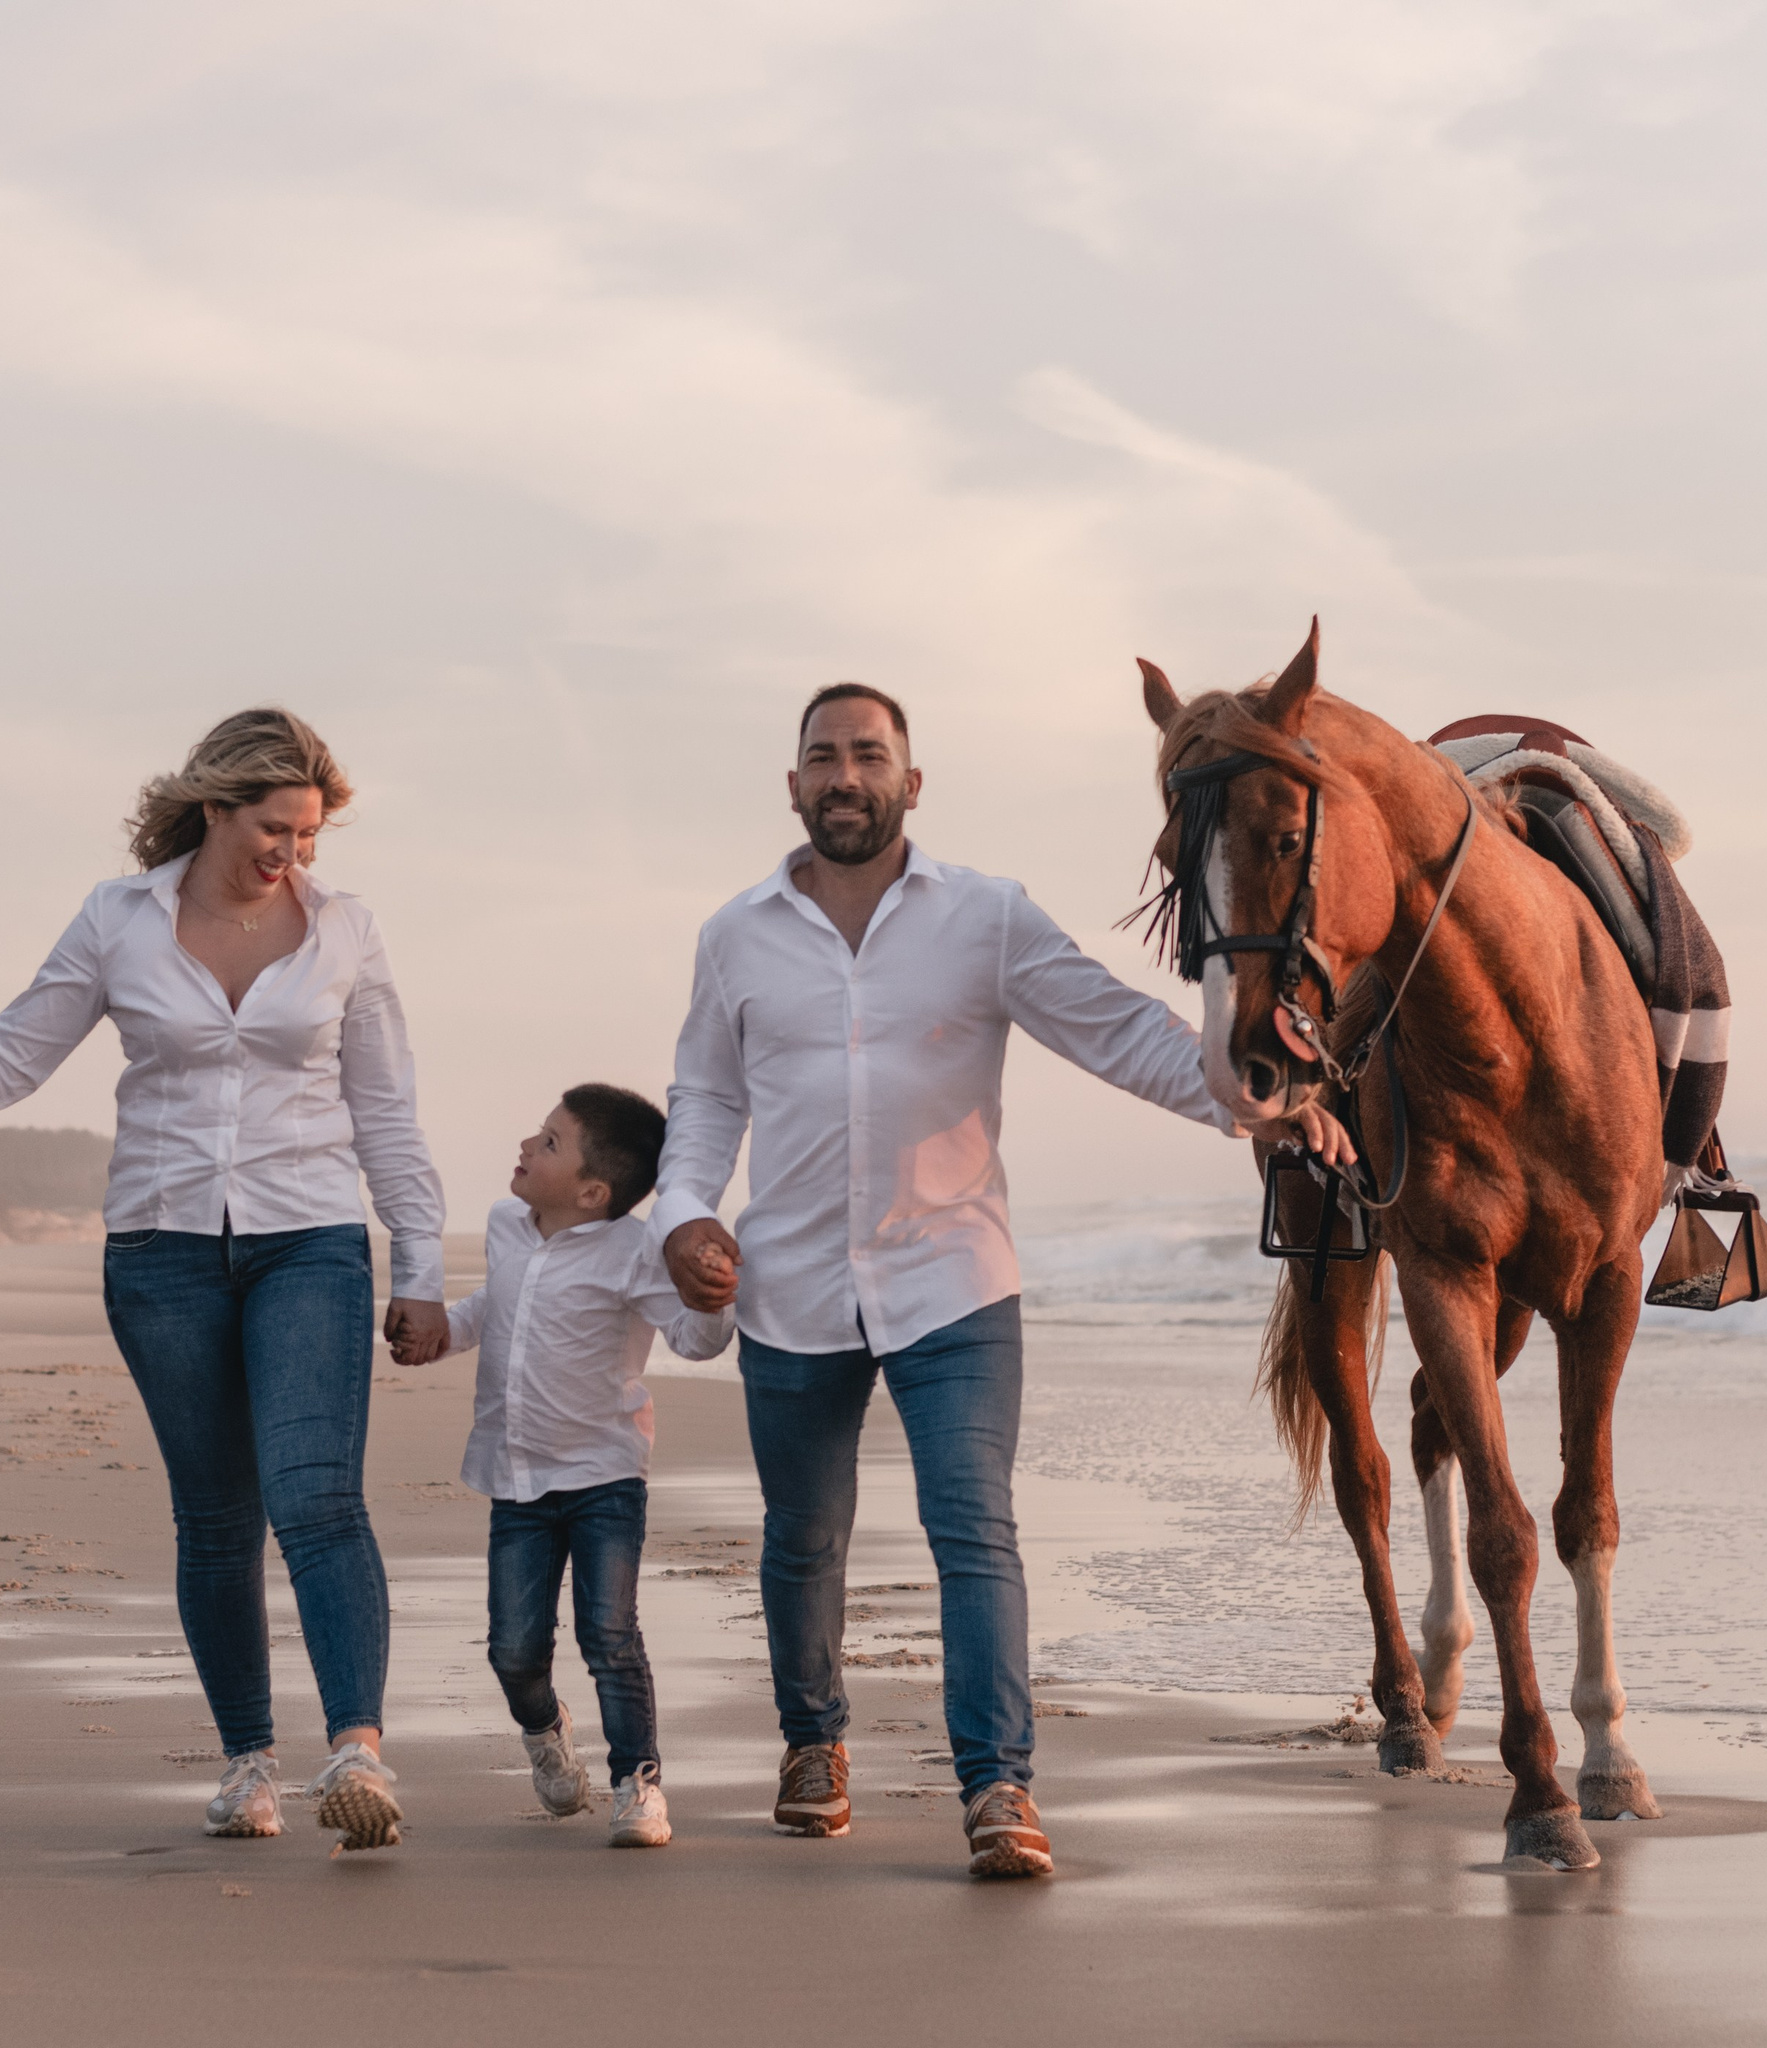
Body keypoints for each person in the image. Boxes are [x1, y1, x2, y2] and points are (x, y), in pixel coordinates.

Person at [651, 683, 1300, 1881]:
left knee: (973, 1527)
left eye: (868, 754)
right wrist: (684, 1211)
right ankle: (813, 1738)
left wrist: (1252, 1097)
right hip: (789, 1279)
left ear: (910, 781)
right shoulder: (734, 934)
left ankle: (998, 1782)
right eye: (822, 756)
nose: (845, 775)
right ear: (793, 785)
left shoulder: (985, 916)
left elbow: (1115, 1026)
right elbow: (704, 1096)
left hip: (951, 1276)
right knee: (803, 1535)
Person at [0, 708, 447, 1853]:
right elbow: (8, 1055)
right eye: (274, 827)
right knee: (216, 1516)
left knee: (317, 1496)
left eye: (308, 833)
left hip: (309, 1240)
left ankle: (357, 1750)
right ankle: (249, 1762)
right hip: (162, 1250)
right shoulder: (119, 918)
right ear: (215, 806)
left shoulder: (346, 930)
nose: (291, 852)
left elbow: (386, 1109)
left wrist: (423, 1262)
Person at [431, 1085, 732, 1849]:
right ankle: (545, 1729)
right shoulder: (505, 1226)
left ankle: (638, 1782)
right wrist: (442, 1330)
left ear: (594, 1192)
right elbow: (494, 1303)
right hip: (517, 1475)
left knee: (610, 1634)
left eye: (550, 1142)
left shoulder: (634, 1252)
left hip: (604, 1475)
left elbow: (693, 1341)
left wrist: (716, 1296)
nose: (527, 1146)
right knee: (513, 1650)